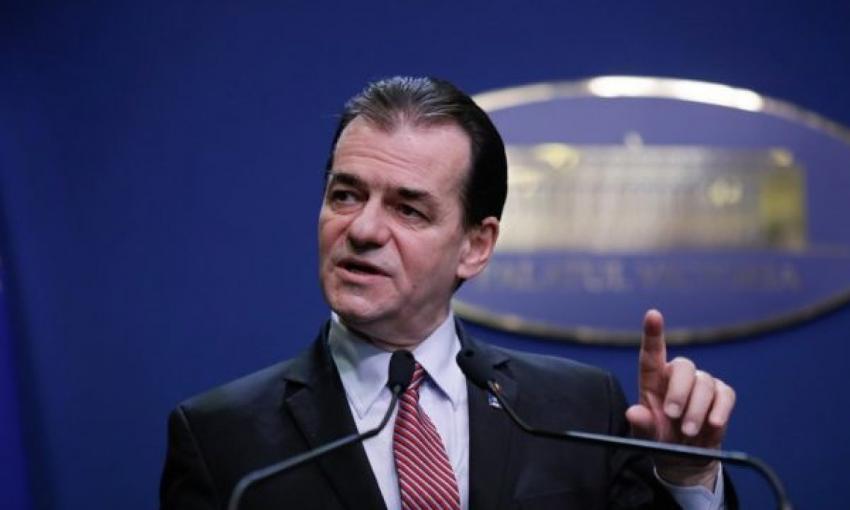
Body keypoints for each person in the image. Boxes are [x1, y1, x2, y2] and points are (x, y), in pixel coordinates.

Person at [160, 76, 737, 509]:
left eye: (408, 209)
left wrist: (686, 479)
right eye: (345, 195)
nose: (362, 229)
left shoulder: (580, 409)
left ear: (475, 246)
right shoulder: (221, 437)